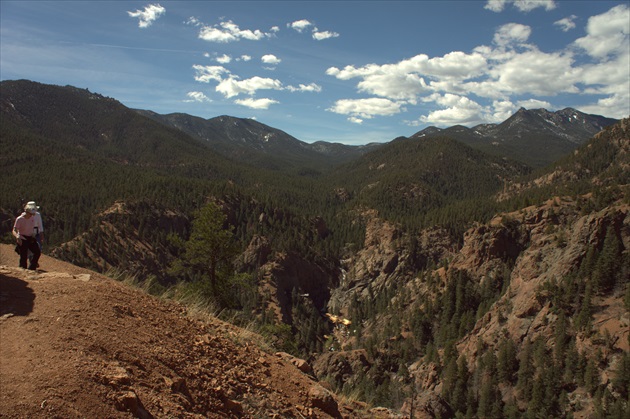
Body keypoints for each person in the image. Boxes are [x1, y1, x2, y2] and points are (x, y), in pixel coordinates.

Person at [13, 201, 44, 270]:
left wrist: (33, 236)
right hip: (22, 238)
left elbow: (33, 227)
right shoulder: (19, 219)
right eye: (31, 214)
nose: (32, 215)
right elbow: (14, 230)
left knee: (37, 252)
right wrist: (17, 237)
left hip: (30, 237)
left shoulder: (32, 218)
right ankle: (22, 270)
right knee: (23, 256)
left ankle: (32, 268)